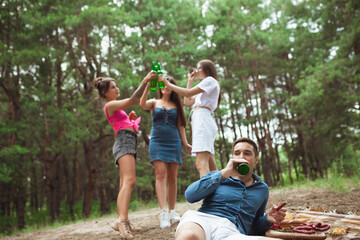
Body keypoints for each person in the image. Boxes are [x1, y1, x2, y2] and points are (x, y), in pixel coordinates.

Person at [175, 137, 287, 240]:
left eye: (247, 153)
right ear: (232, 157)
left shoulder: (262, 189)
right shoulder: (218, 176)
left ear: (256, 160)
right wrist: (224, 173)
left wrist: (267, 219)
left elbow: (252, 226)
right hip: (201, 221)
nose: (241, 157)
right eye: (237, 153)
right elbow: (190, 195)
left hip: (231, 232)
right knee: (188, 236)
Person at [93, 71, 156, 239]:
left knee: (125, 183)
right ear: (104, 93)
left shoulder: (114, 107)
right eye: (112, 87)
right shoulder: (109, 105)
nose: (116, 88)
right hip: (124, 142)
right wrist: (145, 81)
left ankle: (122, 220)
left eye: (116, 85)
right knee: (130, 181)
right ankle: (122, 220)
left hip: (126, 141)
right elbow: (132, 100)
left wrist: (129, 120)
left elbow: (121, 129)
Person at [140, 76, 192, 229]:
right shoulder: (154, 102)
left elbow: (181, 125)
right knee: (160, 175)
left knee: (173, 178)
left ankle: (172, 212)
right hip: (157, 142)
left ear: (172, 87)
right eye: (162, 85)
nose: (165, 87)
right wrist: (148, 85)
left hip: (173, 142)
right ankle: (163, 212)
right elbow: (142, 104)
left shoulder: (176, 105)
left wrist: (185, 142)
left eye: (168, 84)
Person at [159, 59, 221, 177]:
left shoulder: (210, 80)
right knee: (211, 165)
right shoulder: (204, 88)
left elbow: (187, 93)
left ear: (206, 70)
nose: (196, 72)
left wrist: (167, 84)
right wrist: (190, 81)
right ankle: (221, 192)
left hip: (203, 121)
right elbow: (187, 101)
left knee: (201, 163)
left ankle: (207, 194)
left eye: (198, 68)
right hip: (202, 121)